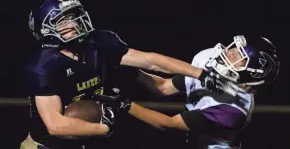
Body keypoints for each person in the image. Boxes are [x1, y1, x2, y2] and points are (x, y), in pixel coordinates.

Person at [20, 0, 210, 149]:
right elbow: (55, 126)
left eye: (72, 16)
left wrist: (200, 73)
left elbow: (150, 61)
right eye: (63, 21)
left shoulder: (99, 44)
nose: (73, 23)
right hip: (48, 145)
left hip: (87, 142)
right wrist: (103, 127)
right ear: (45, 29)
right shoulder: (44, 65)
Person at [113, 35, 280, 149]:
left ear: (251, 74)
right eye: (235, 48)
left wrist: (123, 103)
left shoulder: (233, 109)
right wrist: (133, 72)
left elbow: (167, 124)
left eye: (238, 56)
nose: (229, 52)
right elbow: (164, 87)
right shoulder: (211, 67)